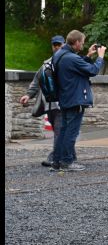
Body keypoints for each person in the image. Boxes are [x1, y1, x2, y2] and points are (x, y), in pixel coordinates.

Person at [50, 30, 106, 172]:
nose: (83, 45)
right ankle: (67, 162)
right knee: (71, 132)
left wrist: (88, 55)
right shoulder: (71, 58)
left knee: (63, 131)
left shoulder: (60, 55)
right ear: (76, 42)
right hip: (75, 99)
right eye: (82, 42)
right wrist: (100, 57)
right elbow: (92, 70)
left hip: (65, 98)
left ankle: (57, 161)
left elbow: (75, 67)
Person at [18, 35, 69, 167]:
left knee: (59, 131)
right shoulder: (46, 63)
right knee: (59, 132)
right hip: (49, 104)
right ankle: (66, 156)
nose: (57, 47)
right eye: (55, 45)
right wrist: (28, 95)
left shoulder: (69, 60)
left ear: (64, 44)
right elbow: (37, 80)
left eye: (59, 44)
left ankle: (56, 158)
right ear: (52, 46)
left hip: (62, 104)